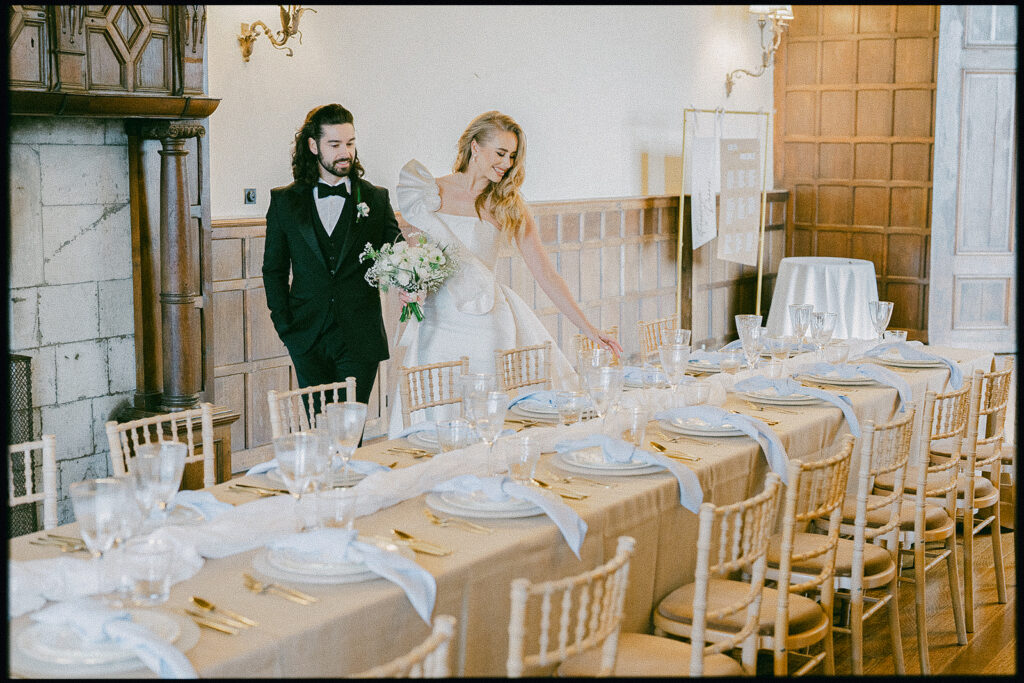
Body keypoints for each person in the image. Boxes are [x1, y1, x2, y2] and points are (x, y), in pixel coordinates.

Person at [389, 110, 622, 436]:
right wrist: (411, 285)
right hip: (436, 323)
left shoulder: (508, 205)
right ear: (475, 147)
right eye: (500, 153)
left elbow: (547, 275)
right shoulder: (426, 192)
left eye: (512, 156)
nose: (506, 163)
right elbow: (417, 257)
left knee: (483, 417)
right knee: (433, 419)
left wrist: (589, 328)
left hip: (487, 323)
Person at [263, 104, 402, 409]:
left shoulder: (376, 198)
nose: (345, 153)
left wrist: (412, 280)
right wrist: (285, 327)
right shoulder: (285, 201)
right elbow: (273, 270)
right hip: (305, 335)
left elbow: (399, 252)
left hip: (360, 337)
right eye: (335, 144)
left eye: (350, 144)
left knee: (350, 429)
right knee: (317, 430)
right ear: (313, 146)